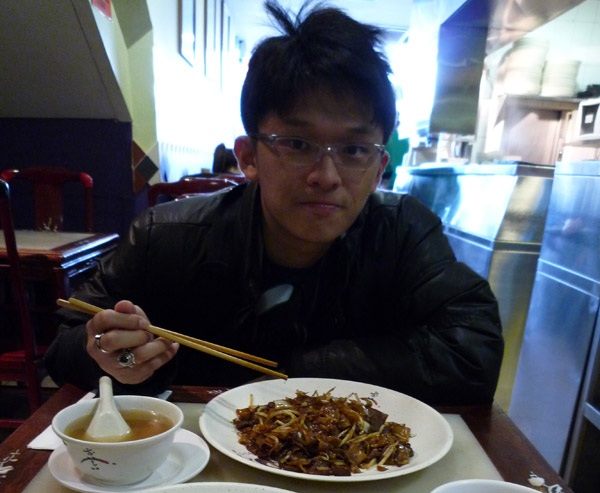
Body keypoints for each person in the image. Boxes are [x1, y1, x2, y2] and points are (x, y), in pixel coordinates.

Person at [45, 0, 503, 405]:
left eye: (354, 150)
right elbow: (65, 341)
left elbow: (473, 352)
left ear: (380, 165)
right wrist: (110, 354)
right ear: (249, 157)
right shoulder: (165, 237)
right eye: (298, 143)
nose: (326, 177)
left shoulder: (404, 232)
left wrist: (292, 368)